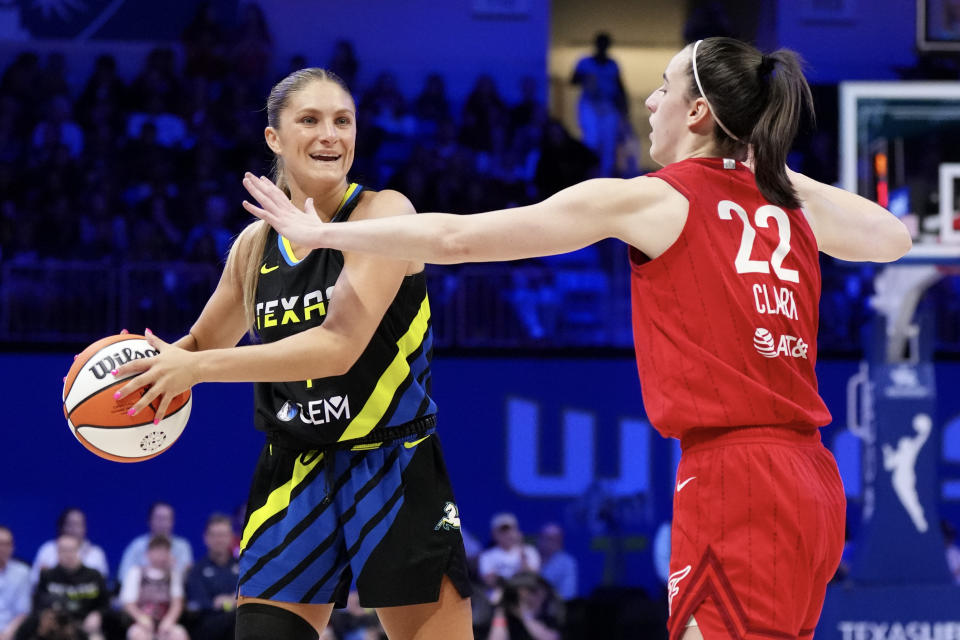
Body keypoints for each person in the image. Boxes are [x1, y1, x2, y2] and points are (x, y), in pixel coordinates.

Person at [241, 37, 912, 639]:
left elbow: (458, 238)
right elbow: (891, 236)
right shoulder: (786, 199)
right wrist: (755, 157)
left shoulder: (655, 198)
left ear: (699, 113)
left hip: (737, 475)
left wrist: (326, 234)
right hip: (811, 478)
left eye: (665, 87)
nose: (649, 103)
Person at [112, 67, 473, 640]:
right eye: (310, 120)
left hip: (392, 464)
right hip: (294, 470)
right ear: (274, 138)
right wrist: (147, 373)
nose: (331, 134)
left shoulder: (384, 216)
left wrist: (196, 370)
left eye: (343, 120)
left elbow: (338, 347)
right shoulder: (254, 246)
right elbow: (202, 342)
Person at [21, 534, 112, 640]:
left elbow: (106, 605)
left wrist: (97, 614)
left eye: (72, 550)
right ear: (57, 553)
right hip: (54, 628)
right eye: (64, 550)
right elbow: (38, 606)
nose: (68, 554)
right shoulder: (47, 576)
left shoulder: (94, 576)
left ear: (80, 551)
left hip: (85, 626)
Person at [570, 32, 628, 178]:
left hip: (608, 106)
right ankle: (587, 176)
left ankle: (605, 177)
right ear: (596, 45)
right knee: (591, 140)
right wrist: (585, 76)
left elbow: (620, 89)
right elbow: (572, 80)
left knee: (609, 144)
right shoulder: (584, 62)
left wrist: (625, 112)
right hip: (589, 104)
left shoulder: (613, 64)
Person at [119, 535, 189, 640]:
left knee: (179, 634)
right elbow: (128, 604)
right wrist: (141, 618)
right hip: (141, 622)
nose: (161, 555)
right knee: (138, 635)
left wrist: (168, 621)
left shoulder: (174, 574)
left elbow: (177, 603)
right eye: (157, 550)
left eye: (165, 551)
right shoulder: (136, 572)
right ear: (148, 553)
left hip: (166, 623)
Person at [184, 514, 238, 640]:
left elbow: (248, 596)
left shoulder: (242, 567)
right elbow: (201, 603)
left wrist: (230, 601)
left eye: (223, 535)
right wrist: (230, 602)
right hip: (206, 626)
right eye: (215, 535)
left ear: (231, 537)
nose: (219, 540)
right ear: (205, 538)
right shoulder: (196, 570)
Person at [117, 503, 193, 583]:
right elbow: (123, 576)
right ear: (149, 521)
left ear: (172, 522)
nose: (162, 523)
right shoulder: (137, 546)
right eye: (158, 518)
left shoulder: (182, 547)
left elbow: (186, 577)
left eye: (166, 519)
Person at [30, 509, 109, 585]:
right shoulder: (47, 549)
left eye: (78, 525)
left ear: (84, 528)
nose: (74, 529)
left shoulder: (96, 553)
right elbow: (35, 580)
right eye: (70, 524)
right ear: (62, 527)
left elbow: (101, 584)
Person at [477, 514, 540, 601]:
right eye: (503, 531)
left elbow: (532, 576)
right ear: (494, 534)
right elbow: (489, 580)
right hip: (498, 597)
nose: (507, 534)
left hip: (524, 597)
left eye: (510, 530)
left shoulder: (529, 551)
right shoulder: (487, 555)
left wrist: (521, 548)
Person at [0, 526, 29, 640]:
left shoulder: (22, 573)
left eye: (7, 544)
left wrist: (7, 634)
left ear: (12, 547)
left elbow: (23, 612)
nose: (2, 548)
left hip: (11, 633)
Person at [535, 524, 576, 601]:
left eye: (550, 539)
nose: (545, 542)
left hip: (554, 608)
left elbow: (567, 594)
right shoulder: (529, 556)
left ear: (559, 542)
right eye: (542, 537)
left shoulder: (566, 563)